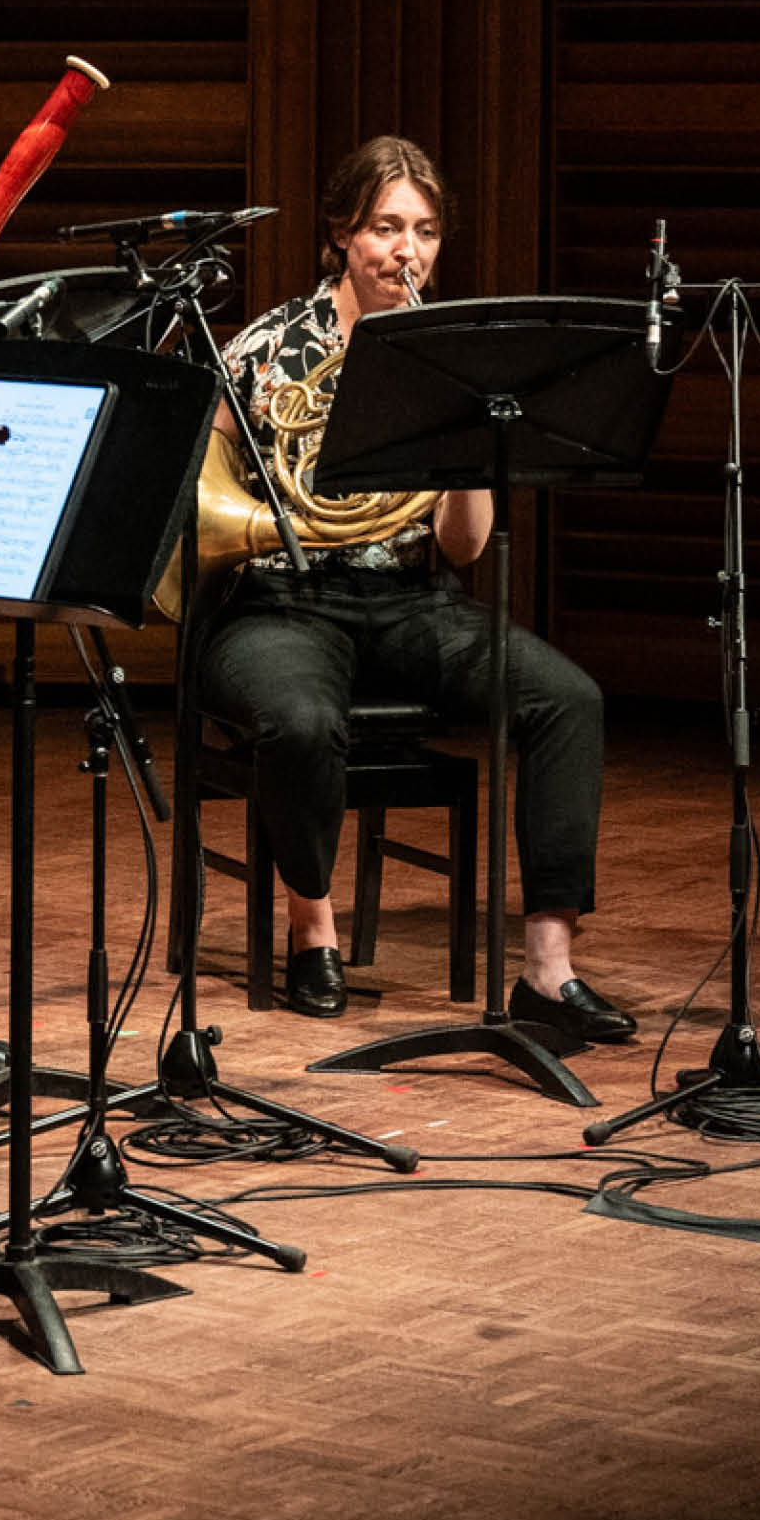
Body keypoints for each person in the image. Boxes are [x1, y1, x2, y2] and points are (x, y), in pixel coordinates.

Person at [199, 135, 631, 1040]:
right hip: (281, 598)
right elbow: (203, 487)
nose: (408, 250)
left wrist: (467, 434)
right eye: (387, 227)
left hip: (403, 598)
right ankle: (312, 930)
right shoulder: (266, 347)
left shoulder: (446, 356)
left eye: (425, 230)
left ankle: (548, 967)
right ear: (343, 234)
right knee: (299, 720)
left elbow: (464, 548)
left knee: (566, 697)